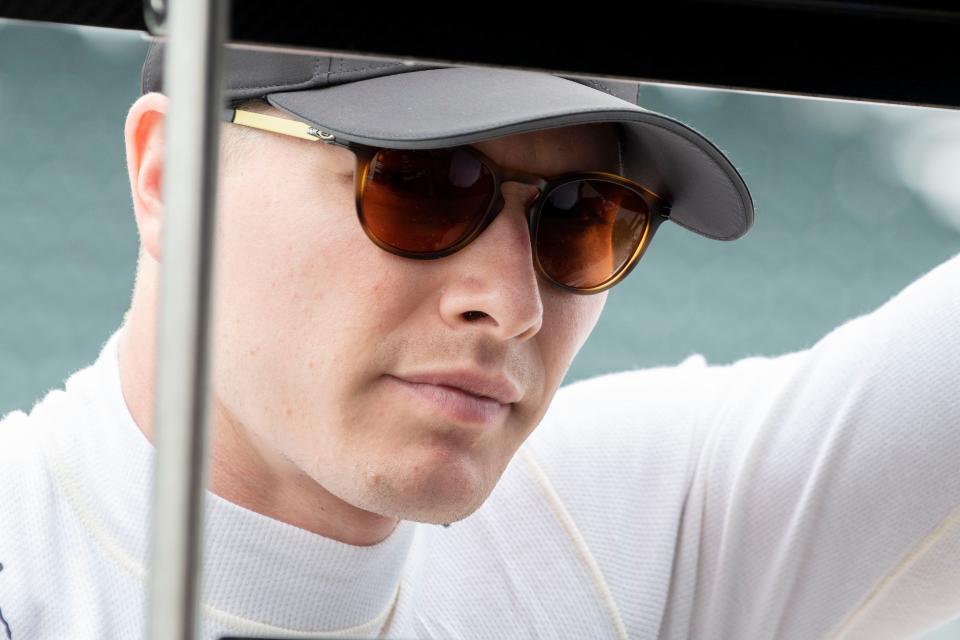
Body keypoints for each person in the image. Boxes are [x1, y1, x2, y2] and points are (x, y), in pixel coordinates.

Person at [0, 41, 958, 640]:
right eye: (421, 183)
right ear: (170, 177)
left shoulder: (642, 535)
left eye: (586, 218)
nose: (512, 303)